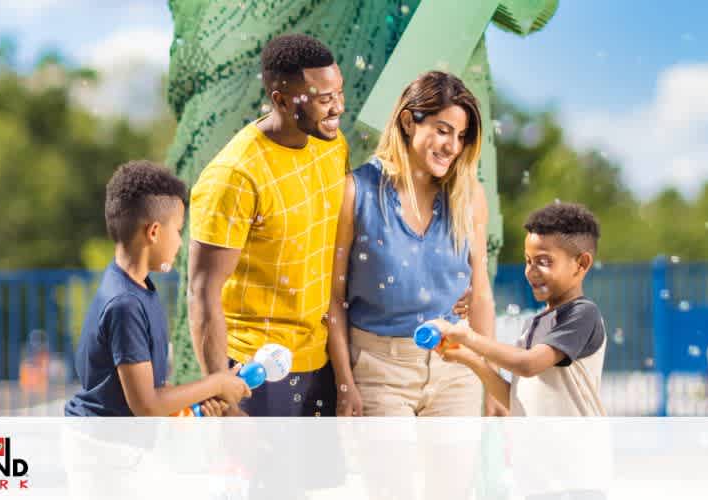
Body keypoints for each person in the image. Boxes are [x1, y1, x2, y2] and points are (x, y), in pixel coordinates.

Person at [187, 33, 348, 417]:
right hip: (252, 373)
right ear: (280, 100)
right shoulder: (234, 175)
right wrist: (223, 395)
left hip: (318, 363)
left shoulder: (332, 143)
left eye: (339, 93)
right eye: (324, 99)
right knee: (256, 479)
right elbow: (202, 292)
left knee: (321, 480)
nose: (338, 107)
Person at [326, 71, 496, 418]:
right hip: (379, 371)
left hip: (456, 369)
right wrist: (345, 383)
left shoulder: (469, 197)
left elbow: (480, 294)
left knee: (451, 476)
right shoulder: (354, 193)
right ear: (408, 121)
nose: (452, 146)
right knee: (390, 474)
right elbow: (332, 298)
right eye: (442, 130)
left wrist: (491, 381)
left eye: (461, 136)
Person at [64, 160, 250, 418]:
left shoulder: (135, 286)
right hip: (103, 450)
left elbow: (146, 389)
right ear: (153, 232)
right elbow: (147, 406)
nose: (180, 244)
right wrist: (216, 383)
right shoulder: (125, 304)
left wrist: (197, 398)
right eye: (177, 230)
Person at [433, 201, 608, 416]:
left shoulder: (582, 314)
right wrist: (469, 358)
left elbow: (527, 365)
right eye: (528, 261)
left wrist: (468, 337)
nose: (531, 271)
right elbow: (516, 402)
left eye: (543, 261)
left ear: (581, 264)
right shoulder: (535, 323)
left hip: (575, 449)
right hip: (536, 448)